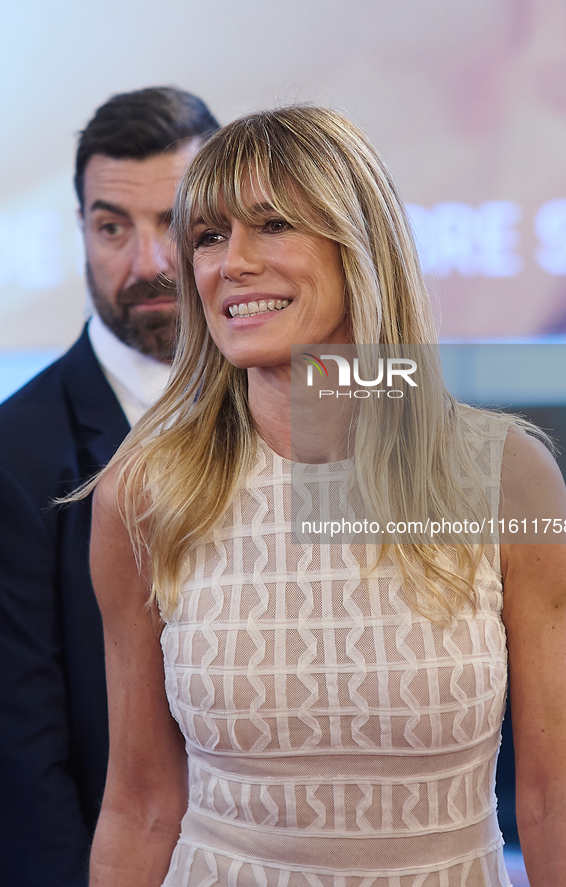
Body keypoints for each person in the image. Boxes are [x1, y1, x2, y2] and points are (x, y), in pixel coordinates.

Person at [88, 106, 566, 886]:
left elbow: (558, 799)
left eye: (273, 224)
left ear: (359, 244)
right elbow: (143, 804)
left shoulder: (505, 474)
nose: (233, 263)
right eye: (210, 237)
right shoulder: (144, 493)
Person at [0, 86, 219, 887]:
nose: (148, 262)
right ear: (82, 231)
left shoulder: (320, 405)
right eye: (112, 227)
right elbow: (24, 767)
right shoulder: (16, 453)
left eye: (173, 220)